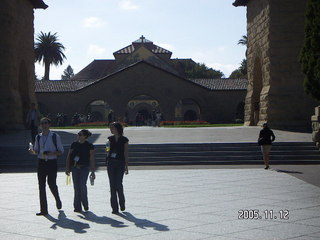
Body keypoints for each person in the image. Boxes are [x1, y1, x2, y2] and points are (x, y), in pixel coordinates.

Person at [31, 117, 64, 216]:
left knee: (52, 184)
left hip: (51, 162)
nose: (44, 125)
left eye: (46, 123)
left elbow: (61, 151)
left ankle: (57, 199)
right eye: (42, 123)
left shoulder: (54, 136)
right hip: (41, 162)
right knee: (41, 186)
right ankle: (44, 210)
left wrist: (51, 153)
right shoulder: (38, 137)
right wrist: (32, 151)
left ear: (49, 124)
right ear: (40, 125)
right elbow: (36, 151)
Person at [65, 129, 96, 212]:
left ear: (85, 136)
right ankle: (77, 207)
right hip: (74, 168)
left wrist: (92, 171)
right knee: (76, 187)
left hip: (84, 168)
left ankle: (85, 204)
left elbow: (92, 158)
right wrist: (67, 167)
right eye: (78, 134)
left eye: (80, 134)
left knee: (82, 185)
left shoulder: (89, 145)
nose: (78, 135)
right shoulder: (74, 144)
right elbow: (69, 155)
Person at [106, 122, 129, 214]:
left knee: (118, 184)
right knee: (112, 185)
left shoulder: (124, 140)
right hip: (111, 163)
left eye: (113, 128)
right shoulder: (109, 139)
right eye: (110, 128)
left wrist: (126, 166)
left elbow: (126, 153)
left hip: (120, 163)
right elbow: (107, 150)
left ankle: (122, 203)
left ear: (117, 129)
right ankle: (114, 208)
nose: (111, 130)